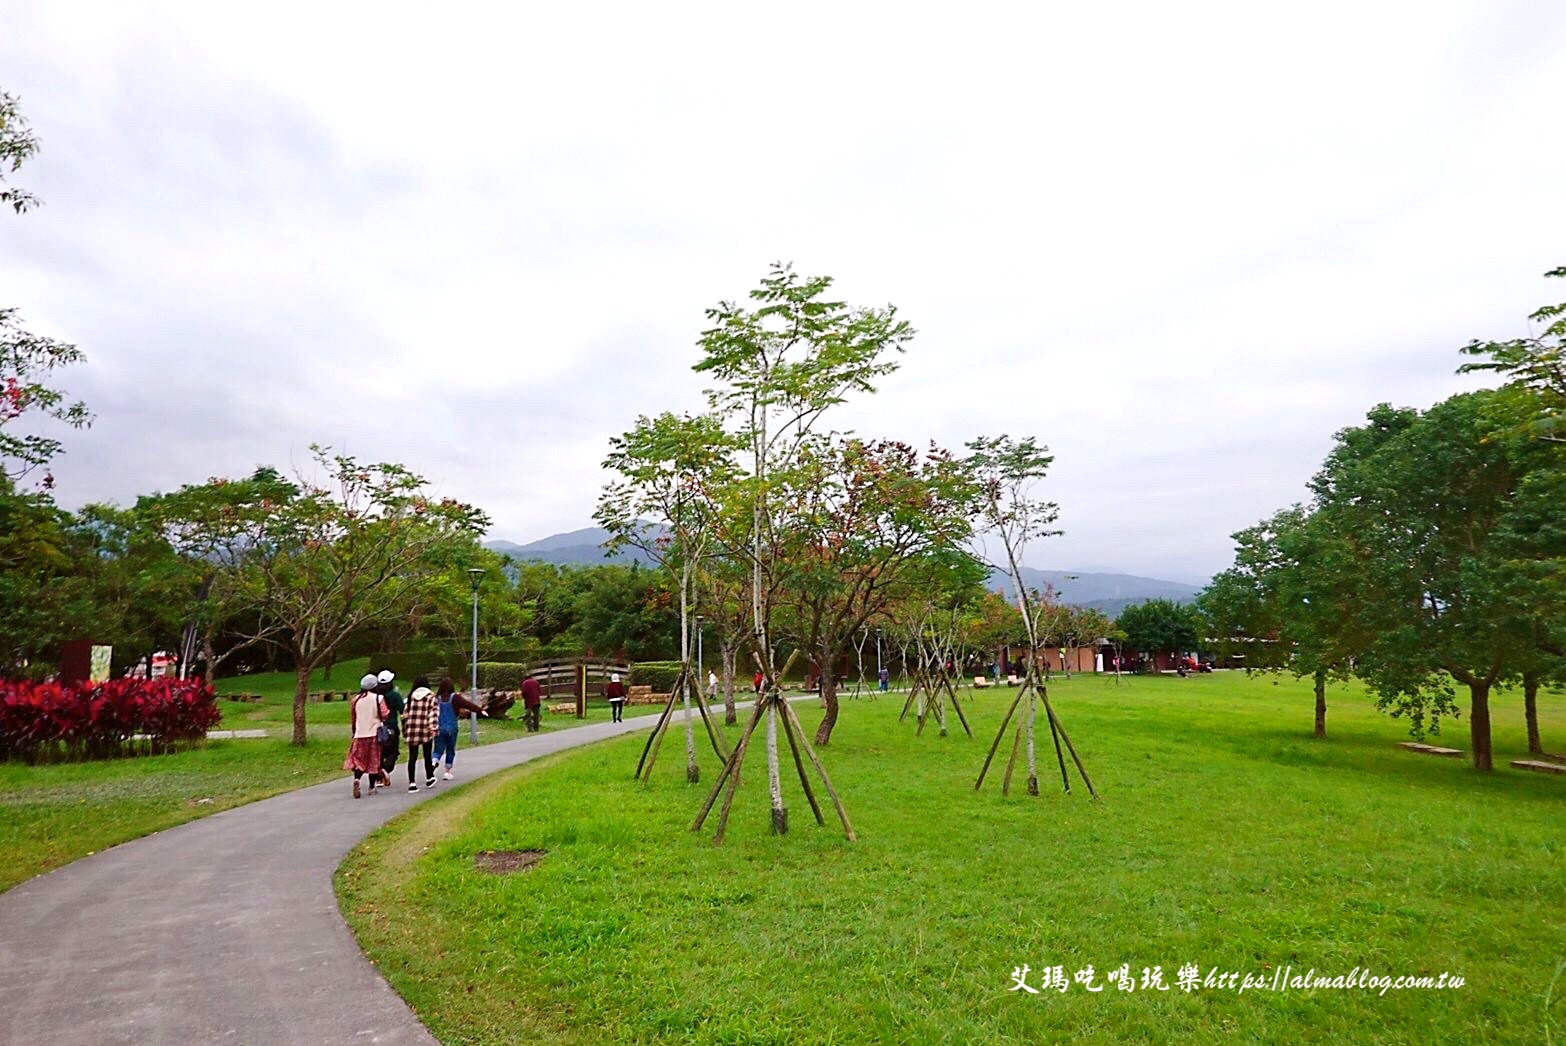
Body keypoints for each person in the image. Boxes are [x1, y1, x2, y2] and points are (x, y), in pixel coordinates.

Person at [432, 676, 487, 779]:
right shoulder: (455, 697)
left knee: (438, 749)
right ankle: (447, 772)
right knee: (450, 749)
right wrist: (480, 710)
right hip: (451, 727)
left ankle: (434, 762)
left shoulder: (436, 698)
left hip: (439, 727)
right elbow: (467, 704)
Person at [343, 673, 389, 798]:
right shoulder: (378, 698)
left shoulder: (356, 700)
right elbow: (384, 714)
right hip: (374, 733)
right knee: (373, 760)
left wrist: (354, 731)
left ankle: (357, 779)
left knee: (359, 760)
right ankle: (372, 786)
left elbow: (353, 717)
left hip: (359, 734)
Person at [401, 675, 439, 792]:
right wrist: (433, 727)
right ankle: (429, 777)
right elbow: (433, 713)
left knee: (412, 756)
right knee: (427, 754)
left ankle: (412, 783)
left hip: (412, 729)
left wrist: (405, 729)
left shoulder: (410, 697)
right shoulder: (431, 697)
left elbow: (405, 715)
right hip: (425, 729)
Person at [375, 669, 404, 787]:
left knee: (380, 753)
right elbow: (402, 709)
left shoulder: (376, 696)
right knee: (393, 752)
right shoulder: (394, 695)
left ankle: (378, 778)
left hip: (377, 728)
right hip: (391, 727)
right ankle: (386, 770)